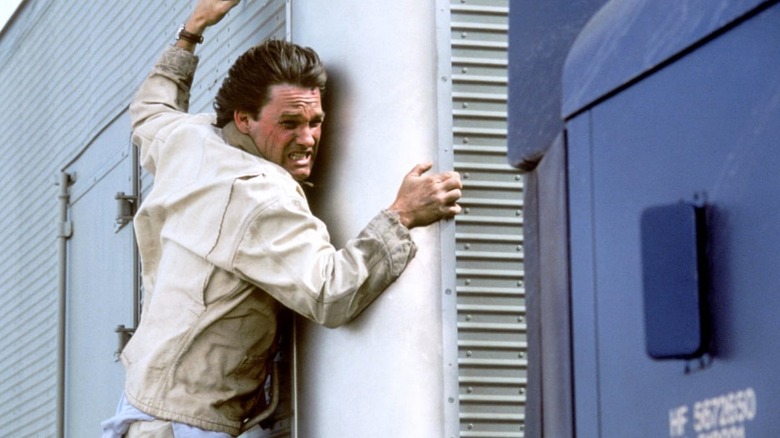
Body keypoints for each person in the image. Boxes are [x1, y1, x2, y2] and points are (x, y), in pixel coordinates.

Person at [102, 0, 462, 436]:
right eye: (289, 123)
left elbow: (150, 110)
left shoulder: (190, 139)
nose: (307, 138)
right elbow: (330, 293)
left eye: (315, 121)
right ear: (244, 118)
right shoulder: (262, 196)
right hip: (187, 424)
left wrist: (194, 28)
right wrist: (401, 215)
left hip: (139, 404)